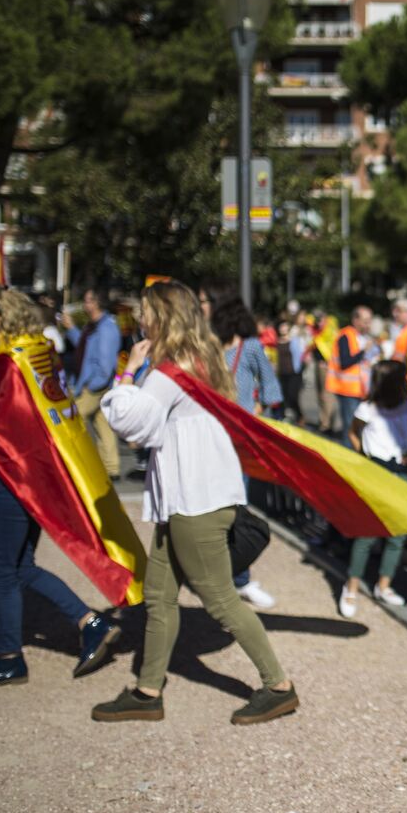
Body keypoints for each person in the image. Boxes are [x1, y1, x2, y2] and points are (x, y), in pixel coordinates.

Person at [93, 281, 298, 725]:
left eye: (145, 311)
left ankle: (278, 685)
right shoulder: (202, 360)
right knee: (160, 596)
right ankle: (148, 691)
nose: (139, 319)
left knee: (221, 599)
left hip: (195, 499)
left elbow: (133, 422)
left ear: (163, 316)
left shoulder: (173, 370)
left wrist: (129, 372)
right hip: (189, 495)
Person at [0, 287, 122, 690]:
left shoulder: (4, 362)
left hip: (9, 475)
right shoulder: (36, 352)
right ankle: (90, 622)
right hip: (34, 474)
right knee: (20, 566)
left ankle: (9, 657)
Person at [209, 296, 283, 609]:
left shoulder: (248, 348)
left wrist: (257, 414)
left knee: (235, 504)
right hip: (212, 433)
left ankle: (239, 576)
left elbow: (270, 386)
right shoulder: (211, 347)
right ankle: (220, 575)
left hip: (235, 437)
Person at [339, 360, 407, 616]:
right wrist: (363, 454)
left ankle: (383, 584)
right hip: (376, 470)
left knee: (398, 533)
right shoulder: (368, 409)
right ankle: (351, 586)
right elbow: (354, 432)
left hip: (401, 472)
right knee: (368, 532)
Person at [61, 289, 121, 479]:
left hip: (94, 386)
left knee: (72, 420)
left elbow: (105, 363)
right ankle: (111, 469)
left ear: (96, 303)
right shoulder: (94, 326)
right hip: (93, 384)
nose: (85, 305)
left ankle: (76, 464)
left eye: (87, 301)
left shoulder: (106, 328)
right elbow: (85, 348)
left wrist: (92, 386)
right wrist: (71, 328)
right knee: (103, 426)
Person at [326, 306, 375, 437]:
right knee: (350, 428)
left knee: (359, 428)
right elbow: (345, 362)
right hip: (347, 390)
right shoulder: (346, 335)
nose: (368, 324)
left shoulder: (363, 337)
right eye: (365, 321)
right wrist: (364, 351)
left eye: (370, 320)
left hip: (361, 390)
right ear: (355, 320)